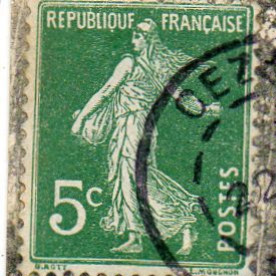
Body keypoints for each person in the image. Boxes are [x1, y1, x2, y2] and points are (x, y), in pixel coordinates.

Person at [71, 19, 215, 255]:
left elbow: (106, 92)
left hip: (133, 124)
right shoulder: (157, 71)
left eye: (138, 37)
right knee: (132, 178)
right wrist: (205, 109)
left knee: (133, 177)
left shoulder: (129, 63)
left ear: (148, 41)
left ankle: (172, 223)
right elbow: (181, 97)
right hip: (136, 127)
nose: (133, 41)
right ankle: (156, 231)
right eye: (133, 36)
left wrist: (80, 120)